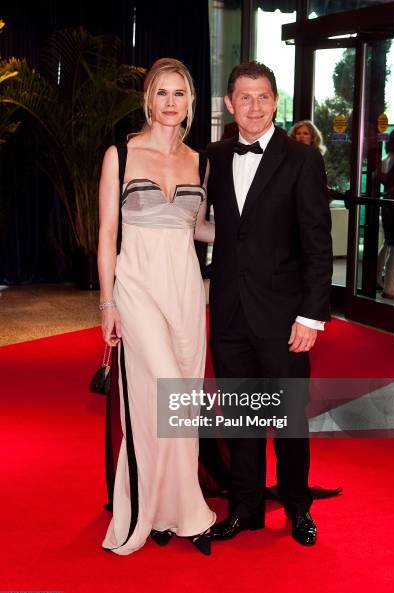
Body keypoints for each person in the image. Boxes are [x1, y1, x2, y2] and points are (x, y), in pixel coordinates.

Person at [207, 61, 332, 546]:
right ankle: (244, 508)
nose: (254, 106)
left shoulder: (301, 160)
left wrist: (311, 315)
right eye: (244, 97)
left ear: (276, 101)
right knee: (240, 416)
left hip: (285, 317)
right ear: (228, 104)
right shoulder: (214, 157)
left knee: (288, 418)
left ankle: (298, 508)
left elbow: (318, 244)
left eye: (263, 97)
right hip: (229, 313)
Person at [98, 58, 216, 556]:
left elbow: (198, 228)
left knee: (180, 402)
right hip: (138, 286)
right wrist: (107, 302)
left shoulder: (199, 161)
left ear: (191, 102)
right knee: (168, 394)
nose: (171, 103)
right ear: (149, 99)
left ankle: (178, 512)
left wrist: (259, 235)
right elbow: (107, 234)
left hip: (187, 291)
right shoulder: (120, 155)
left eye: (180, 94)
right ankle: (157, 510)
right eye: (162, 93)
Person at [376, 128, 394, 299]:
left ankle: (378, 276)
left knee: (388, 242)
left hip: (386, 208)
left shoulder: (385, 159)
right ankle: (389, 285)